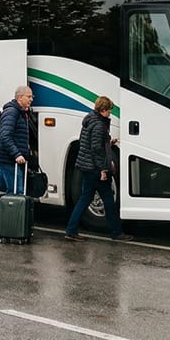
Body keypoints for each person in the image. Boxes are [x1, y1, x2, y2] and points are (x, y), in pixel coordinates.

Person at [64, 96, 133, 242]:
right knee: (108, 199)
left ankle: (71, 230)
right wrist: (102, 169)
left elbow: (92, 144)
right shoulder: (99, 125)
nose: (110, 114)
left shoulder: (90, 120)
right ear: (102, 110)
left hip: (87, 167)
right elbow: (96, 149)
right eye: (108, 111)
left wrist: (108, 141)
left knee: (84, 199)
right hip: (95, 169)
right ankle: (116, 232)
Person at [0, 86, 33, 237]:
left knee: (13, 190)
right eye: (29, 96)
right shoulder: (11, 112)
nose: (31, 99)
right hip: (8, 159)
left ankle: (11, 223)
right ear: (20, 98)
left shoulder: (21, 113)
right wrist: (17, 154)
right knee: (15, 192)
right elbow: (5, 136)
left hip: (12, 159)